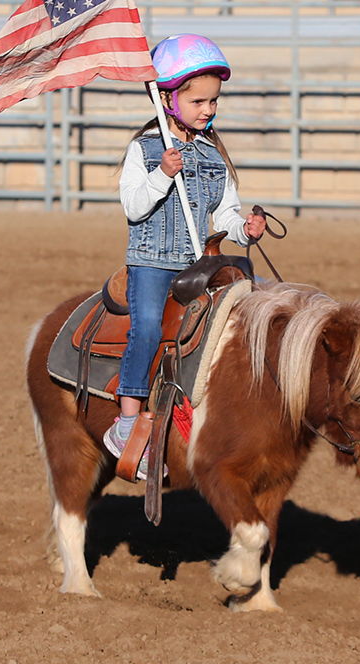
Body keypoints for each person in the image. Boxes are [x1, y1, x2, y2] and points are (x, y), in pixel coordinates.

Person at [104, 34, 266, 481]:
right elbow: (134, 206)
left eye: (214, 101)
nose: (208, 109)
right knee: (150, 326)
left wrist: (245, 230)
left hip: (200, 265)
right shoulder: (144, 150)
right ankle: (126, 420)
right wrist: (162, 175)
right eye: (198, 101)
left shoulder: (213, 155)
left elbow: (225, 214)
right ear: (167, 98)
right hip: (152, 262)